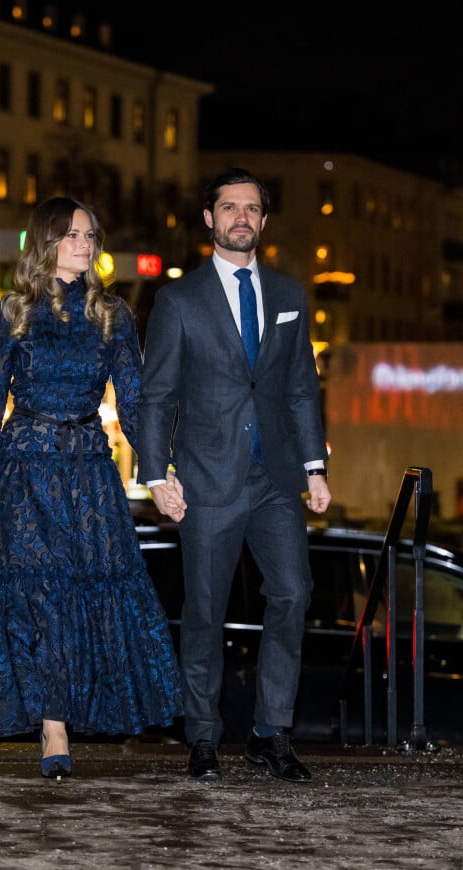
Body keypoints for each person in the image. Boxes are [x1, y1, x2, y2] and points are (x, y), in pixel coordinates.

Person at [0, 195, 183, 778]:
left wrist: (160, 471)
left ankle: (80, 708)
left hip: (87, 468)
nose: (85, 243)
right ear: (48, 242)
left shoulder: (112, 315)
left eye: (90, 234)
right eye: (73, 234)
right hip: (25, 466)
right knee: (38, 599)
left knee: (95, 590)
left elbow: (134, 408)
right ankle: (52, 727)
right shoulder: (14, 311)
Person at [137, 167, 331, 784]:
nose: (240, 218)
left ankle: (270, 734)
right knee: (204, 612)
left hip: (274, 478)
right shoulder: (178, 300)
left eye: (251, 208)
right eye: (229, 208)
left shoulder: (290, 295)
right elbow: (157, 394)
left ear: (263, 220)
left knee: (293, 593)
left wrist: (314, 467)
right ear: (209, 219)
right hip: (206, 480)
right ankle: (202, 737)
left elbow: (301, 387)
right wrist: (153, 473)